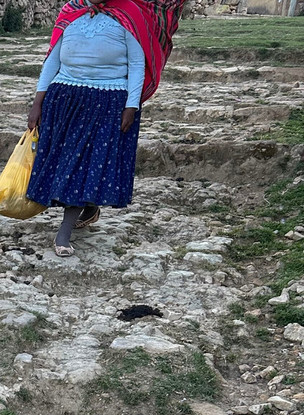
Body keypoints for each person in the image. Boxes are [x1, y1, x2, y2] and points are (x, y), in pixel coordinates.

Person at [25, 0, 186, 256]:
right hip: (64, 100)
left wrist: (131, 106)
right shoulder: (71, 12)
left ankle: (64, 233)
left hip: (107, 102)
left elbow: (136, 65)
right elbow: (52, 61)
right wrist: (37, 104)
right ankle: (88, 207)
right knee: (68, 164)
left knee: (83, 164)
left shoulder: (129, 14)